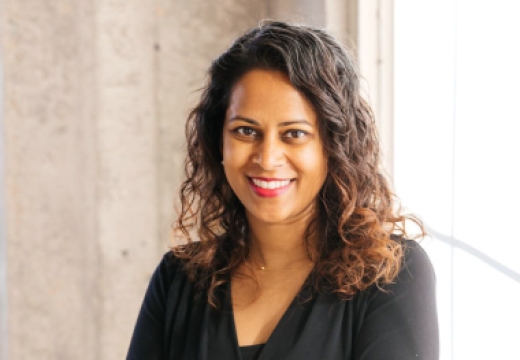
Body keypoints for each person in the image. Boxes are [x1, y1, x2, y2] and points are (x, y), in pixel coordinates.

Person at [126, 21, 439, 360]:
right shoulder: (178, 280)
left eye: (294, 133)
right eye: (245, 131)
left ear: (333, 145)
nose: (267, 158)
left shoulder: (389, 275)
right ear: (220, 140)